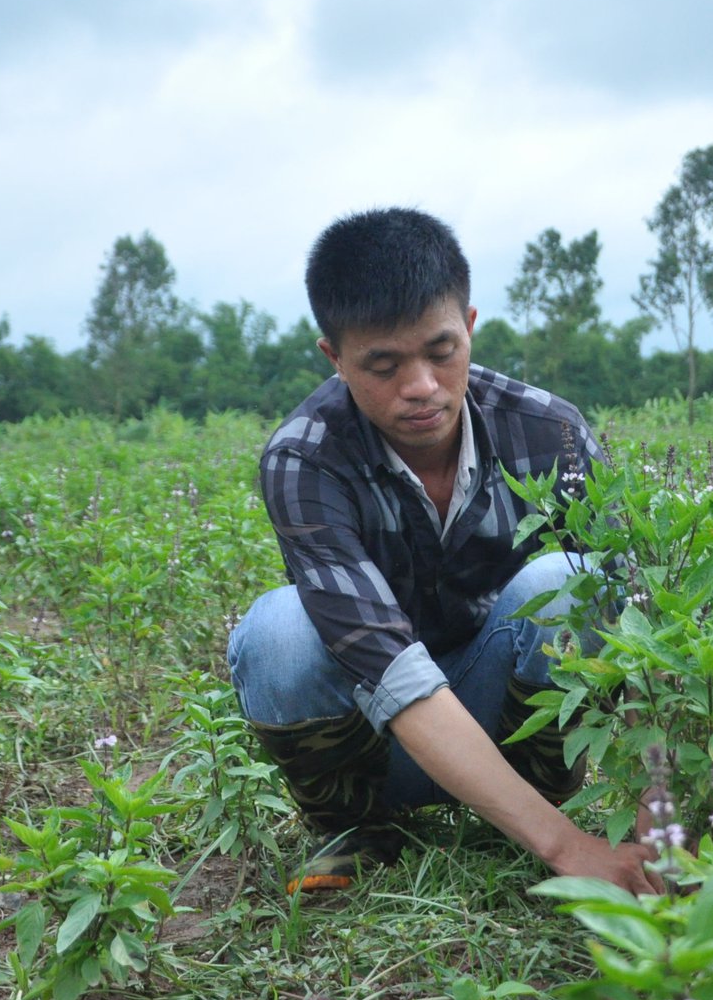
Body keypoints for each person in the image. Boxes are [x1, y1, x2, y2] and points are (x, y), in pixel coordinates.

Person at [227, 207, 661, 897]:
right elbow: (389, 669)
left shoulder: (551, 432)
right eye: (384, 364)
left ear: (471, 326)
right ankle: (359, 832)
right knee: (278, 631)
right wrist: (570, 850)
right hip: (380, 745)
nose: (422, 385)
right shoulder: (305, 459)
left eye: (441, 350)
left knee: (570, 580)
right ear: (334, 358)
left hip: (517, 730)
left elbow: (642, 631)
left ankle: (531, 801)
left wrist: (653, 820)